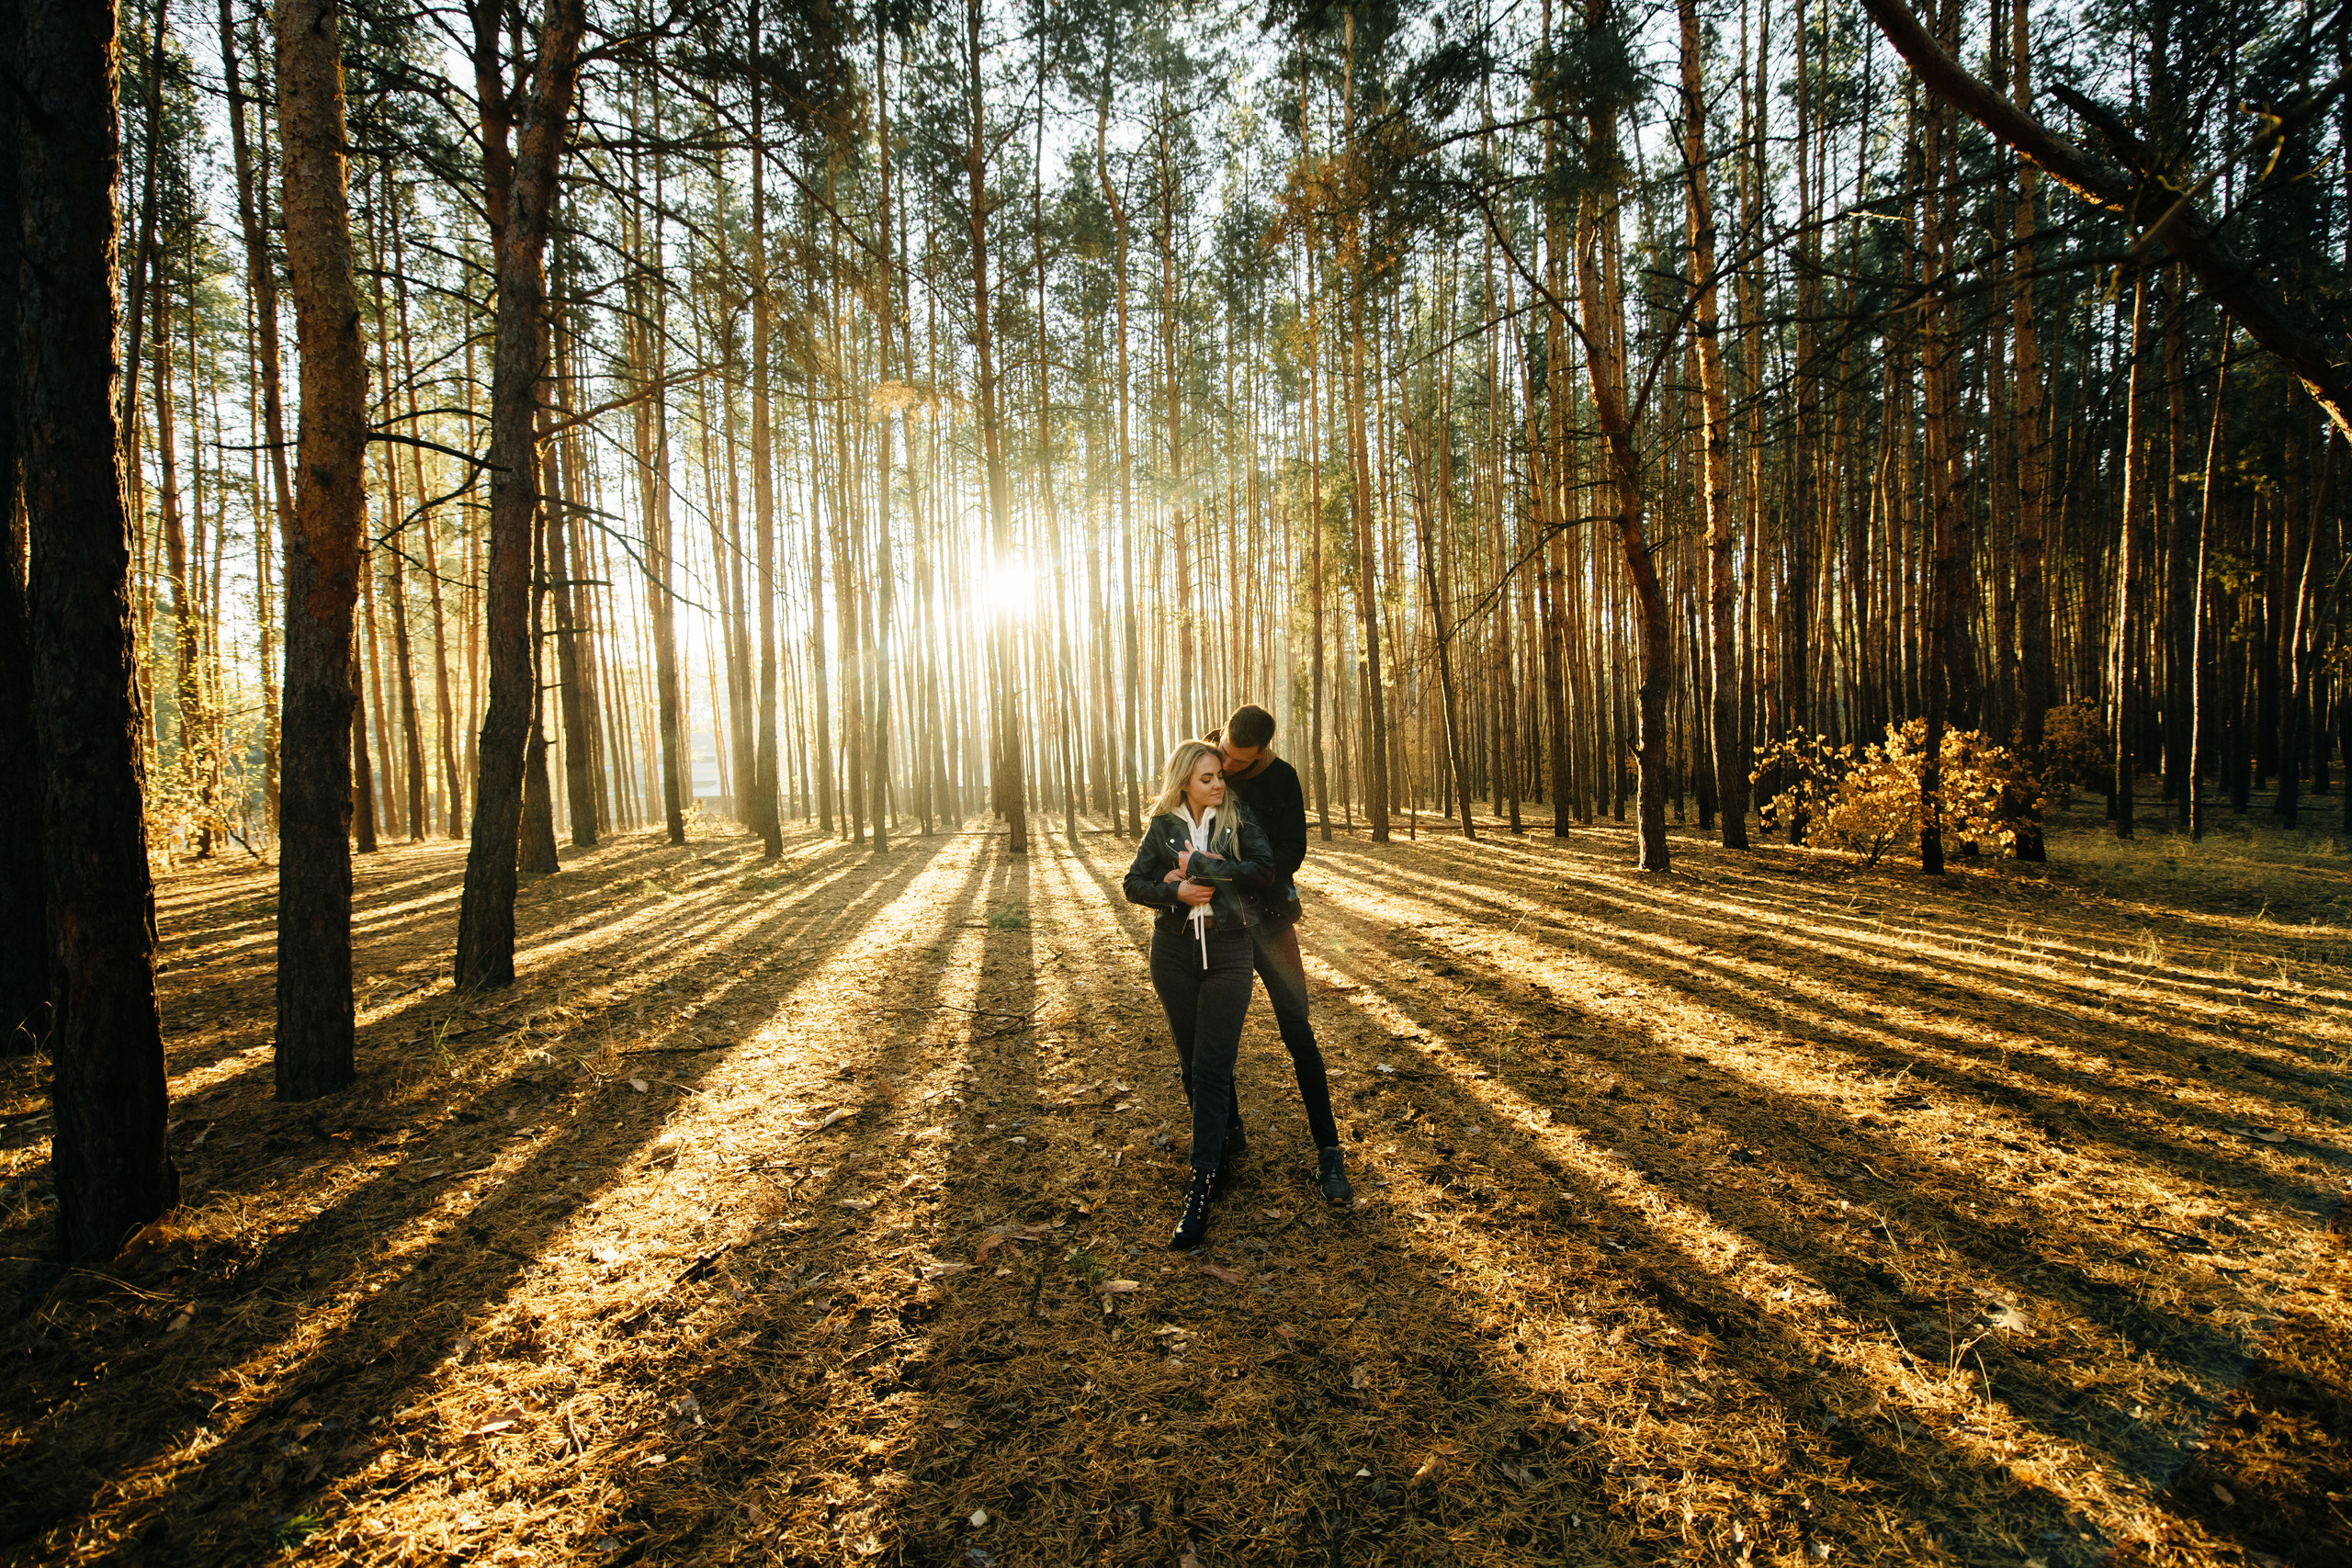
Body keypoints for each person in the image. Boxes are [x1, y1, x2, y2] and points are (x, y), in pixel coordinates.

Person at [1123, 739, 1276, 1249]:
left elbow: (1263, 871)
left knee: (1211, 1068)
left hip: (1229, 952)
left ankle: (1202, 1180)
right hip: (1173, 955)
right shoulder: (1163, 826)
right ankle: (1228, 1133)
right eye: (1206, 778)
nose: (1217, 785)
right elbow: (1133, 883)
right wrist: (1174, 891)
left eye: (1220, 777)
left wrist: (1205, 867)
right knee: (1193, 1066)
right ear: (1185, 781)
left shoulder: (1238, 817)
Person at [1209, 704, 1351, 1204]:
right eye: (1224, 753)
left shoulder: (1283, 778)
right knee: (1218, 1036)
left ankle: (1328, 1150)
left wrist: (1250, 869)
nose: (1227, 766)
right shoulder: (1203, 759)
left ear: (1262, 752)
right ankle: (1227, 1133)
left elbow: (1294, 849)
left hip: (1271, 919)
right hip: (1218, 923)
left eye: (1239, 760)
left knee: (1298, 1028)